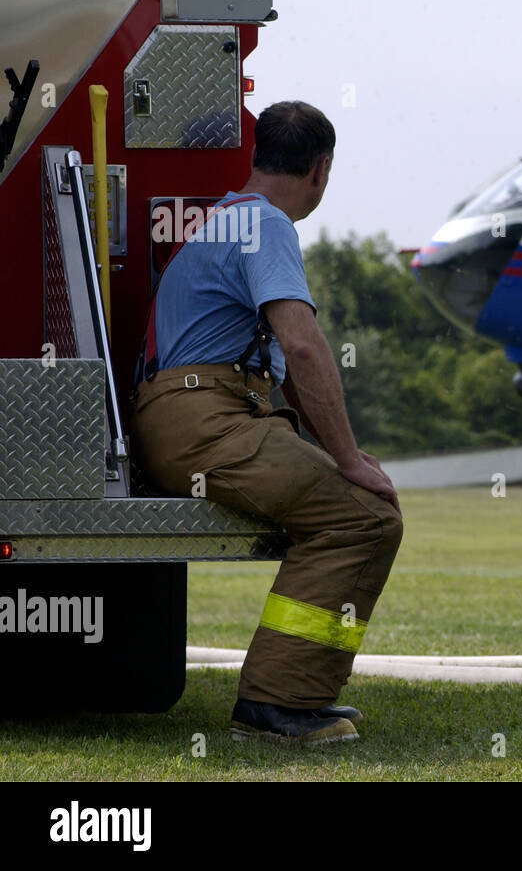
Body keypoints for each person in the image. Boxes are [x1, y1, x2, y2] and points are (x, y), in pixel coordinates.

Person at [131, 101, 403, 745]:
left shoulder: (223, 220)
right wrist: (349, 459)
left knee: (353, 510)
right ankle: (278, 704)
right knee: (365, 516)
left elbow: (284, 374)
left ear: (258, 157)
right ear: (321, 168)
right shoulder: (266, 226)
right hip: (207, 420)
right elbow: (304, 346)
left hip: (189, 417)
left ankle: (291, 694)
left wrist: (331, 454)